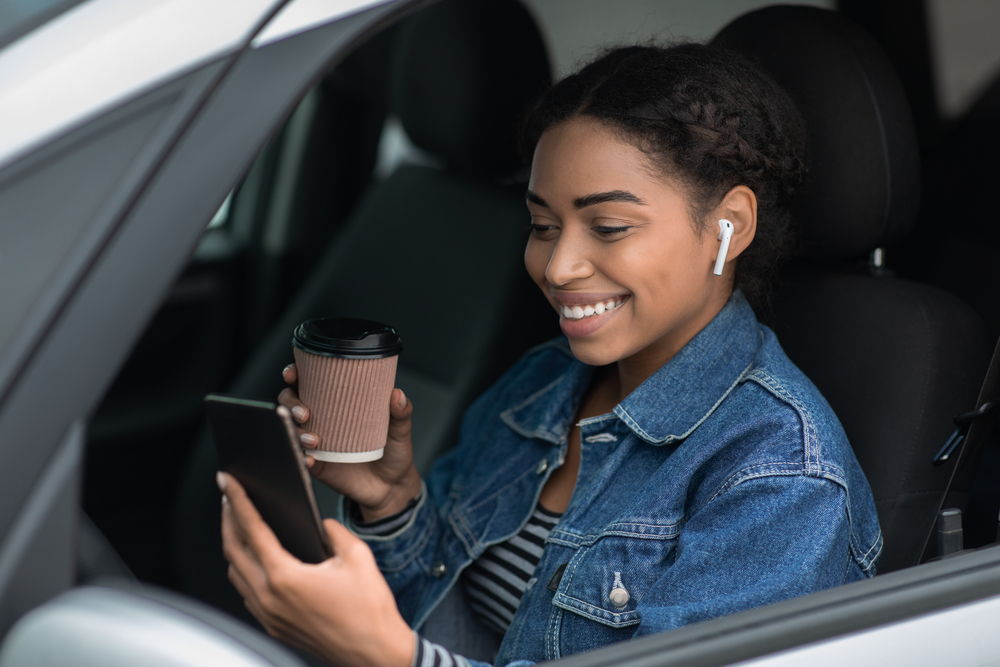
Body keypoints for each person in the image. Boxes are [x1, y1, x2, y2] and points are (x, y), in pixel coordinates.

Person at [217, 43, 882, 667]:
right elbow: (461, 624)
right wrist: (390, 504)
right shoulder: (541, 381)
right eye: (541, 225)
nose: (558, 265)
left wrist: (391, 658)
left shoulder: (782, 478)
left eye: (610, 227)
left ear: (729, 225)